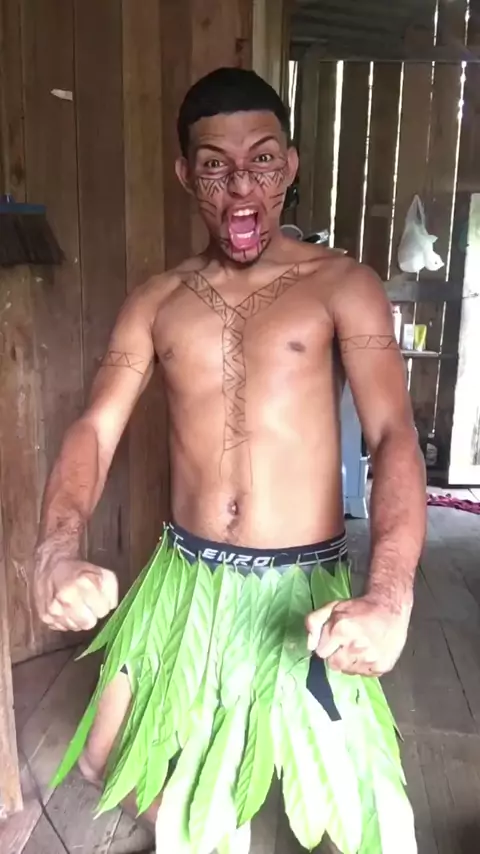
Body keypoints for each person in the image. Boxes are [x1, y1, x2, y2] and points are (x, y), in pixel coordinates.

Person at [33, 67, 426, 852]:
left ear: (292, 164)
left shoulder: (342, 284)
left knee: (361, 817)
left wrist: (390, 595)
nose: (242, 186)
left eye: (263, 160)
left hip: (301, 589)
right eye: (216, 166)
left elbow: (393, 436)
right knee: (102, 758)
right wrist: (55, 550)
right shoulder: (156, 300)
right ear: (186, 174)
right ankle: (199, 832)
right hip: (184, 580)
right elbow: (97, 429)